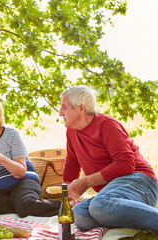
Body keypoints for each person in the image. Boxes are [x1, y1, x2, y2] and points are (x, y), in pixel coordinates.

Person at [59, 85, 158, 232]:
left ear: (80, 109)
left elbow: (126, 164)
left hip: (141, 181)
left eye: (64, 107)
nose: (60, 113)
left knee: (99, 205)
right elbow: (72, 162)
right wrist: (67, 196)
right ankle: (138, 219)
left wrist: (85, 182)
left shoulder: (107, 124)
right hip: (113, 193)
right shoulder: (71, 131)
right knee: (79, 215)